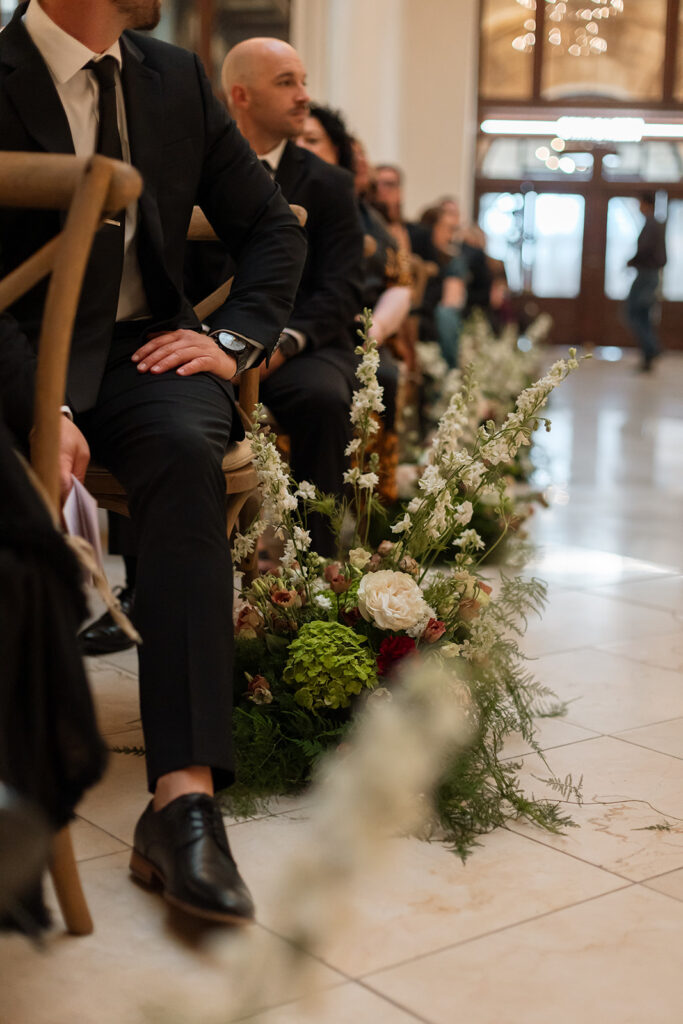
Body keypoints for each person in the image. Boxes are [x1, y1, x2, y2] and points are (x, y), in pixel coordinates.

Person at [0, 0, 306, 924]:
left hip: (144, 351)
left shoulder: (172, 77)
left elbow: (274, 228)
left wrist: (232, 340)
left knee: (182, 453)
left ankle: (183, 800)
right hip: (14, 352)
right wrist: (39, 405)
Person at [190, 38, 364, 556]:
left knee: (323, 400)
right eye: (287, 82)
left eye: (303, 81)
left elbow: (341, 289)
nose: (304, 95)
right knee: (154, 396)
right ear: (241, 96)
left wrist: (279, 343)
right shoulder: (191, 171)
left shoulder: (329, 184)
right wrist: (217, 344)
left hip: (299, 349)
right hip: (206, 342)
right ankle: (149, 576)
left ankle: (316, 562)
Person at [626, 192, 667, 372]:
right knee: (641, 314)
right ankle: (649, 352)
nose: (639, 207)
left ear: (646, 204)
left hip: (647, 275)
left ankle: (652, 349)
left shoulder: (652, 224)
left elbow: (646, 249)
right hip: (647, 274)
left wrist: (632, 261)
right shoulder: (652, 223)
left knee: (635, 312)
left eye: (640, 203)